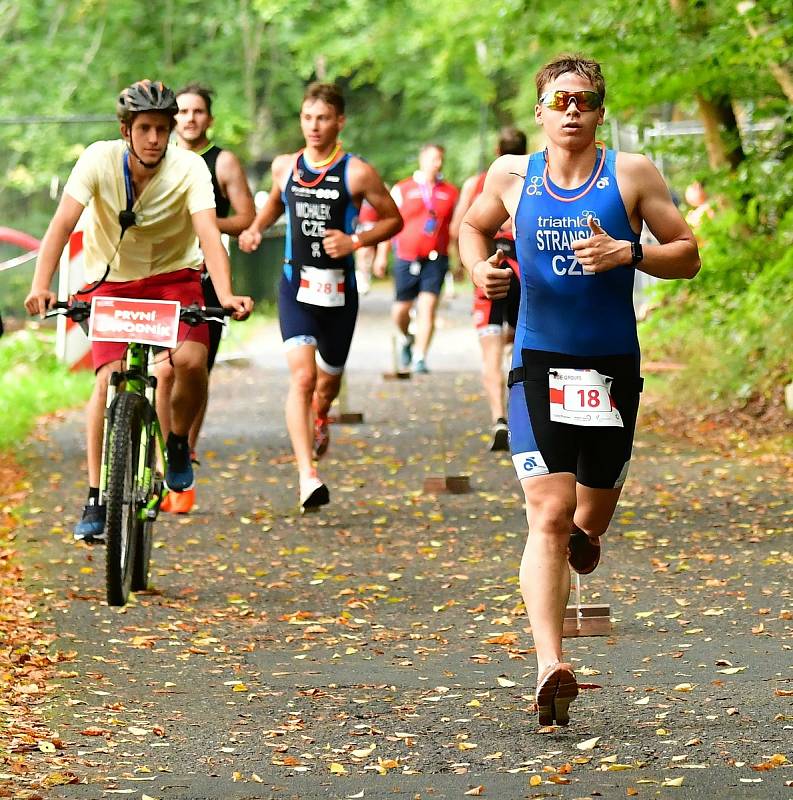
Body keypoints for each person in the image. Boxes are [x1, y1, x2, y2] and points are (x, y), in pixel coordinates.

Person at [458, 54, 700, 726]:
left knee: (587, 519)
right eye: (559, 100)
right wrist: (482, 272)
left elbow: (688, 251)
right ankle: (549, 664)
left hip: (609, 371)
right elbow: (471, 227)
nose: (571, 110)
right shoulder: (510, 177)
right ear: (538, 111)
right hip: (537, 361)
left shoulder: (631, 175)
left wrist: (631, 253)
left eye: (584, 101)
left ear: (599, 112)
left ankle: (588, 537)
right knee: (548, 512)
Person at [24, 80, 253, 543]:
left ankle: (177, 443)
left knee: (190, 363)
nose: (155, 138)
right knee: (107, 380)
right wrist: (40, 286)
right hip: (112, 281)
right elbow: (61, 224)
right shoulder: (97, 159)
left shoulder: (190, 168)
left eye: (163, 129)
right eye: (145, 128)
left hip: (174, 277)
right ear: (126, 129)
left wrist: (224, 294)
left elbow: (209, 235)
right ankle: (95, 496)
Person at [239, 82, 402, 511]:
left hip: (339, 293)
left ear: (339, 122)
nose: (314, 126)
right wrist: (256, 227)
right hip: (296, 286)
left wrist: (355, 240)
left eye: (323, 118)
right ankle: (307, 475)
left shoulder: (356, 172)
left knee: (326, 386)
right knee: (302, 378)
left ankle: (321, 415)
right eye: (308, 117)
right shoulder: (284, 166)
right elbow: (276, 203)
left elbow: (393, 220)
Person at [156, 83, 256, 513]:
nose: (190, 118)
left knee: (195, 367)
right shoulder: (158, 157)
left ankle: (186, 455)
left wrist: (207, 225)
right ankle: (160, 462)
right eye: (183, 111)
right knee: (162, 370)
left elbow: (247, 216)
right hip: (163, 272)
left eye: (198, 112)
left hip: (208, 276)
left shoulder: (223, 161)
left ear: (209, 119)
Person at [450, 126, 527, 451]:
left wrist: (467, 263)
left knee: (490, 352)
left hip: (492, 269)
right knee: (525, 346)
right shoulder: (540, 178)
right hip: (525, 271)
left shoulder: (480, 183)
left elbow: (459, 227)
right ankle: (525, 417)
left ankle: (499, 417)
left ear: (497, 149)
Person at [377, 144, 458, 374]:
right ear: (422, 160)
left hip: (436, 258)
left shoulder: (450, 192)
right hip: (406, 257)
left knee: (428, 306)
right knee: (400, 310)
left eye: (441, 159)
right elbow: (388, 222)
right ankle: (406, 338)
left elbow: (456, 228)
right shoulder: (403, 188)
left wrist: (458, 259)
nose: (438, 163)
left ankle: (420, 357)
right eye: (433, 159)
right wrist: (382, 255)